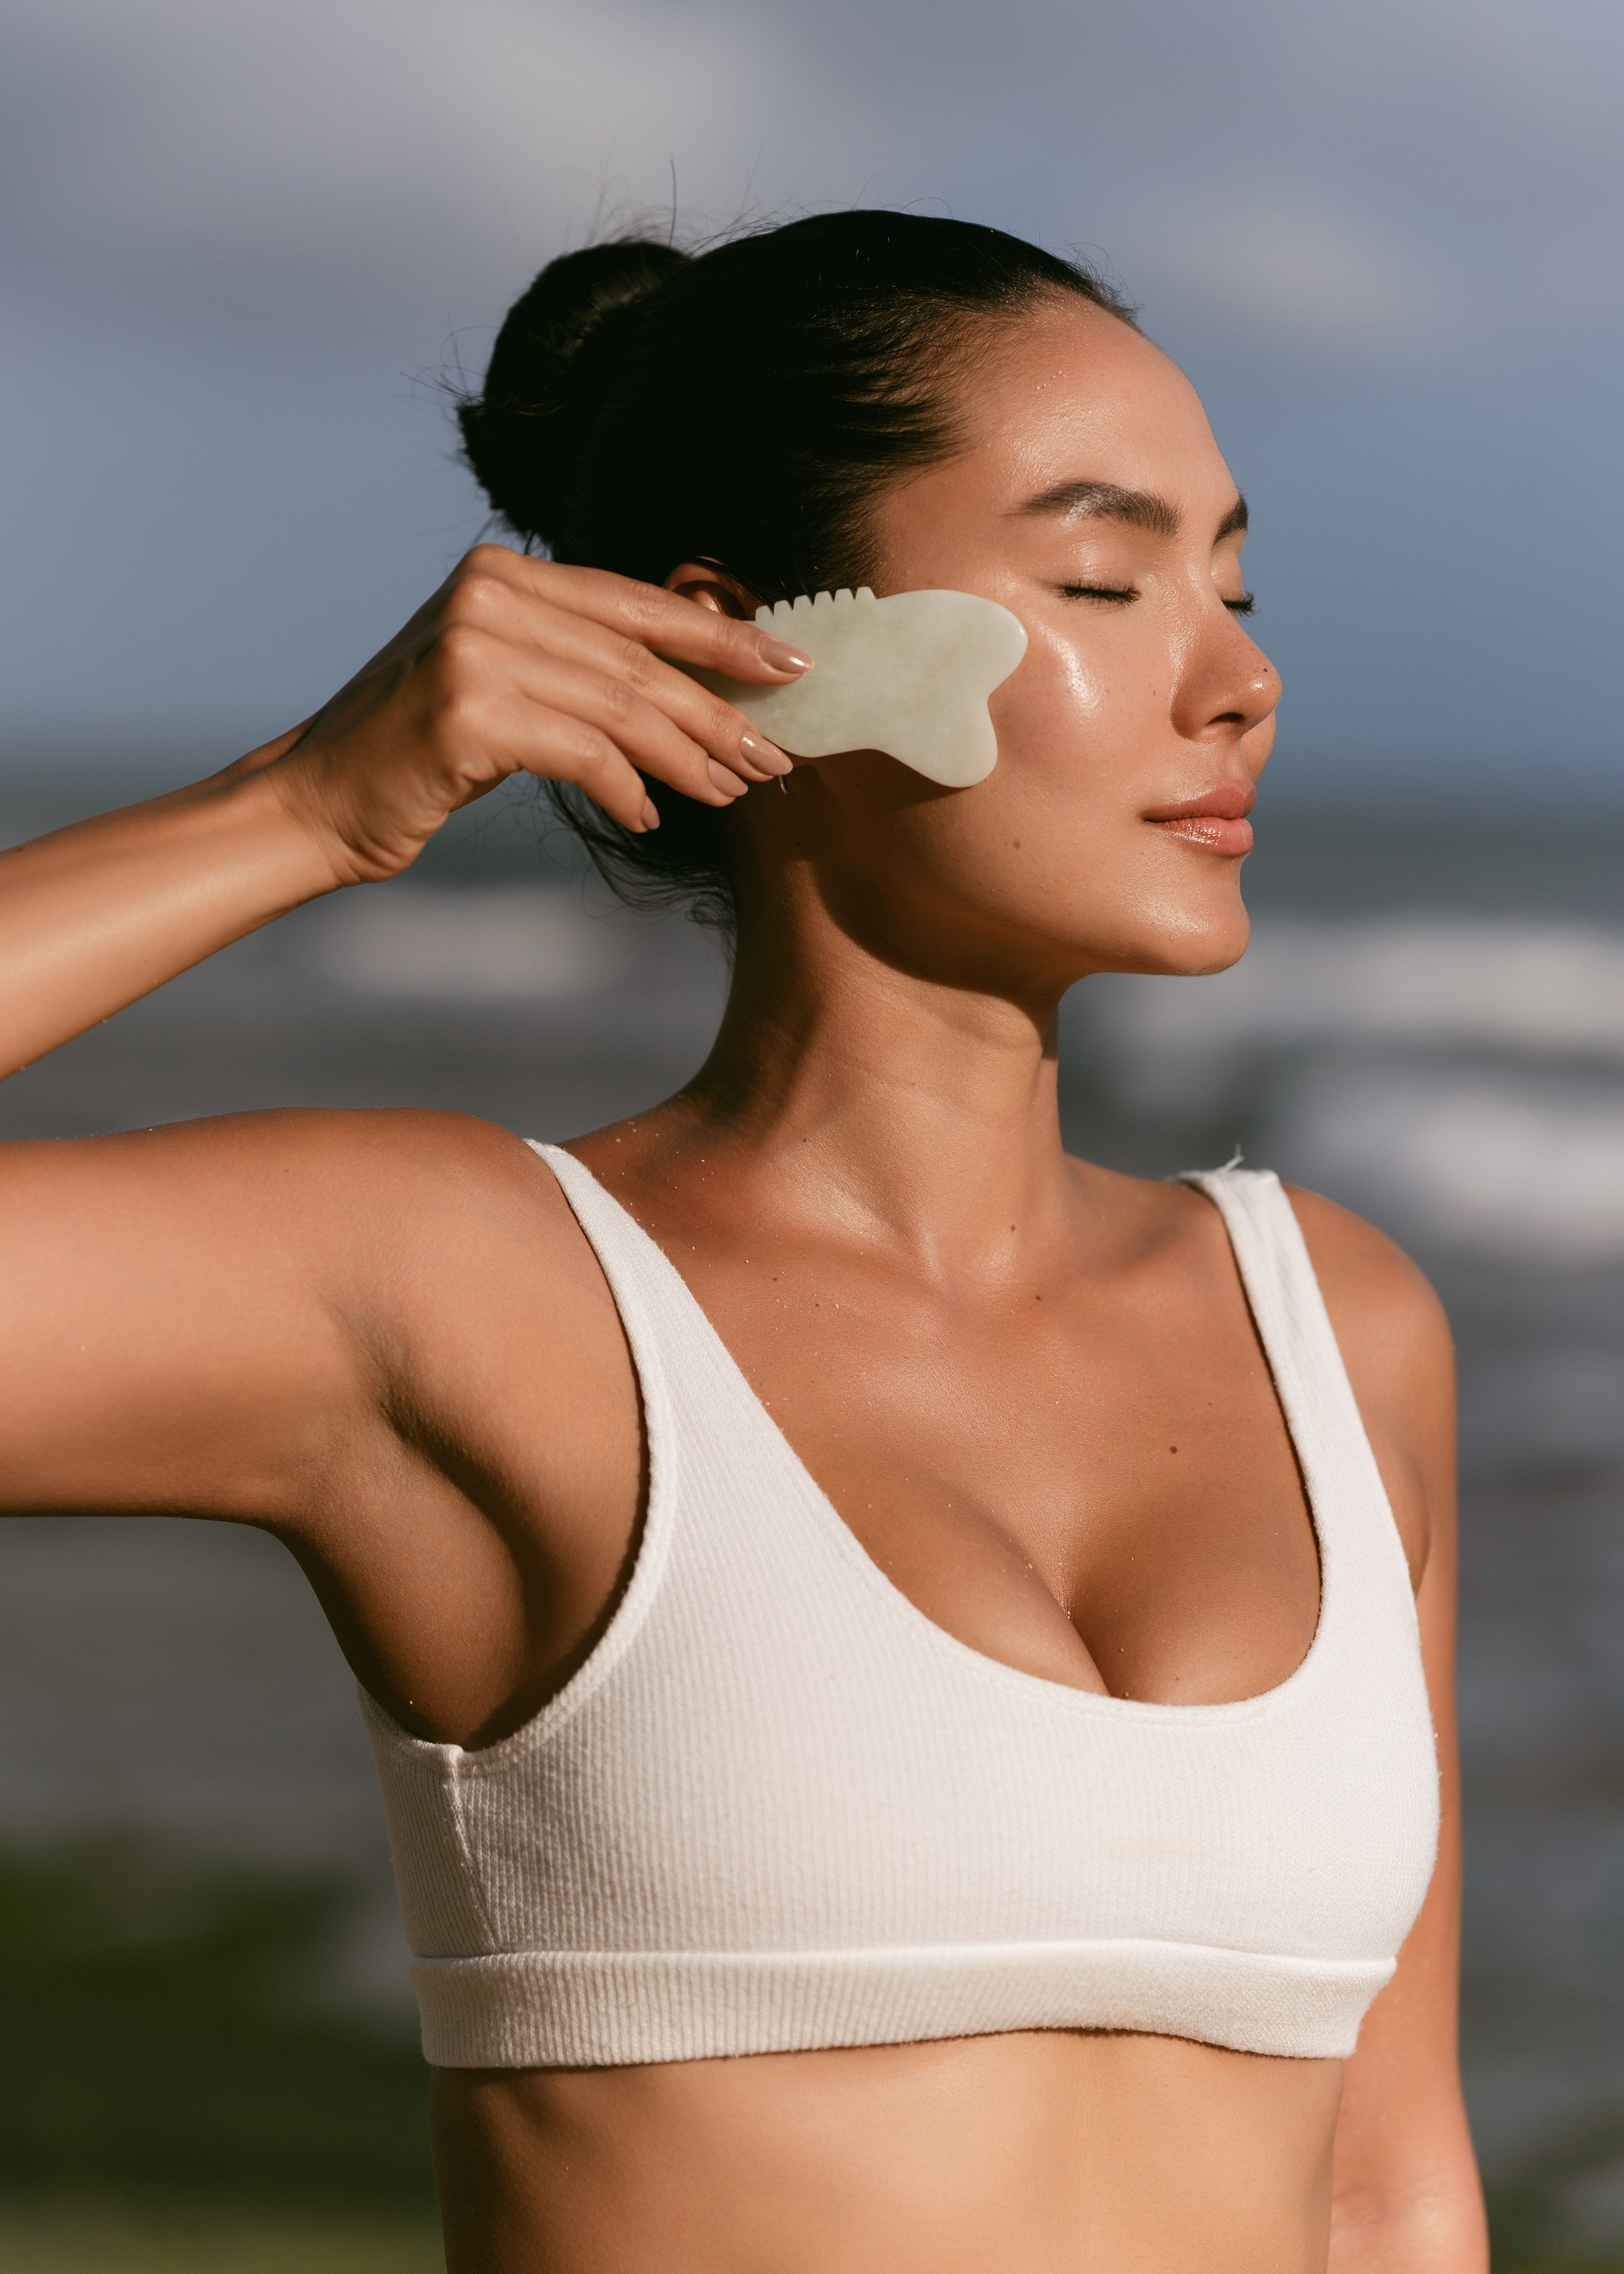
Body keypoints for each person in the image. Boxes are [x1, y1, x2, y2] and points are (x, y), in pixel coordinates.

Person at [1, 211, 1486, 2273]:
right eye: (1098, 577)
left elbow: (1387, 2187)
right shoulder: (471, 1292)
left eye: (1232, 579)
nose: (1238, 678)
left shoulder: (1334, 1324)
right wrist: (306, 808)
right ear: (744, 636)